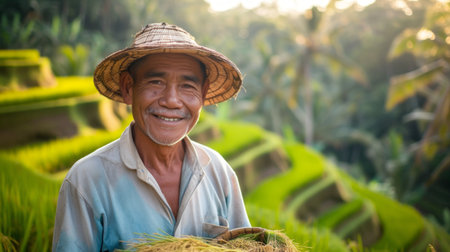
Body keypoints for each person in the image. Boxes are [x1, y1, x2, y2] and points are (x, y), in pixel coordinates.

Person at [52, 22, 250, 251]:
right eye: (156, 82)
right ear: (128, 88)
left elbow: (243, 245)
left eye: (187, 85)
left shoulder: (219, 171)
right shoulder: (86, 180)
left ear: (203, 93)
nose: (171, 100)